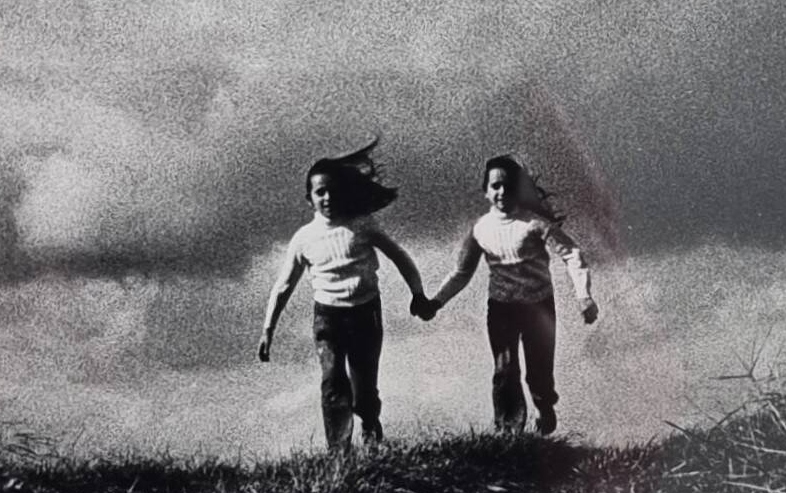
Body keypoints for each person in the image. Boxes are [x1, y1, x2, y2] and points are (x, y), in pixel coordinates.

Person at [256, 138, 432, 450]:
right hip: (328, 317)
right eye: (319, 192)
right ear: (309, 199)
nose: (327, 197)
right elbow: (283, 286)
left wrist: (417, 293)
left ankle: (369, 422)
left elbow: (399, 256)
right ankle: (339, 452)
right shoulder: (304, 239)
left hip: (366, 313)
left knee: (364, 388)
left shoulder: (362, 226)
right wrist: (268, 331)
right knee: (333, 380)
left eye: (332, 190)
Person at [415, 154, 597, 434]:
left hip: (539, 306)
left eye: (508, 186)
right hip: (501, 308)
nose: (502, 192)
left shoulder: (535, 224)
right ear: (486, 191)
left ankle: (543, 404)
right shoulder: (480, 229)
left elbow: (572, 254)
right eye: (495, 186)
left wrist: (583, 296)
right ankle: (508, 432)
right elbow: (462, 273)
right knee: (505, 370)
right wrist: (436, 302)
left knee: (538, 374)